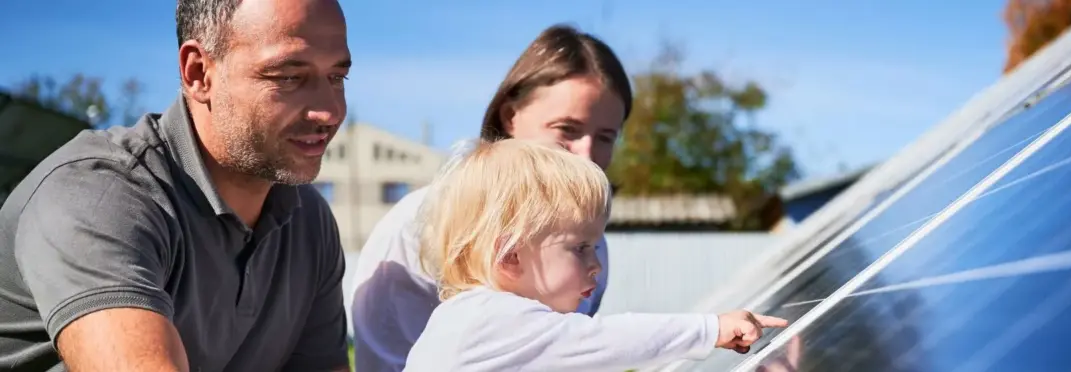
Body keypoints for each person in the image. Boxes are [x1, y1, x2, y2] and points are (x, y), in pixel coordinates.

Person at [0, 0, 353, 370]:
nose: (328, 112)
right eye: (289, 77)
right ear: (199, 72)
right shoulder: (99, 196)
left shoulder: (307, 222)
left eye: (337, 77)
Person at [351, 24, 631, 372]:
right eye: (566, 130)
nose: (585, 155)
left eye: (605, 137)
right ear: (510, 117)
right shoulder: (422, 223)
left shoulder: (588, 245)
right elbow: (387, 360)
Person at [401, 138, 788, 371]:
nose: (596, 265)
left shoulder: (465, 318)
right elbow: (606, 340)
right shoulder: (493, 320)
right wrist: (710, 329)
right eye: (579, 248)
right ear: (511, 255)